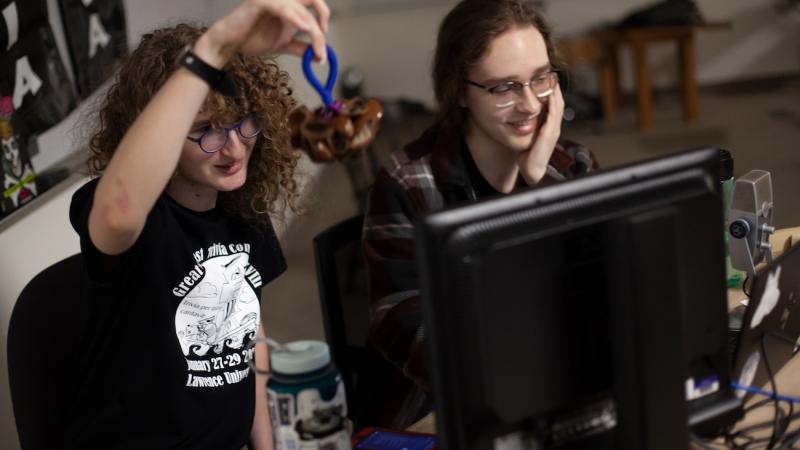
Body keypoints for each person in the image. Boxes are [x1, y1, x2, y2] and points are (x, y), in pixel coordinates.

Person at [66, 0, 329, 448]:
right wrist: (212, 48)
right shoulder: (133, 217)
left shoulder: (241, 211)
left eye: (243, 122)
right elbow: (118, 210)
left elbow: (250, 340)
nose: (233, 149)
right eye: (207, 130)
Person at [362, 0, 599, 428]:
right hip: (449, 412)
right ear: (458, 90)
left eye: (540, 78)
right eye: (504, 87)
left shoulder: (572, 167)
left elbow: (602, 288)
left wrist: (537, 183)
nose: (530, 105)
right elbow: (403, 326)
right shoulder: (407, 183)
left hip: (562, 394)